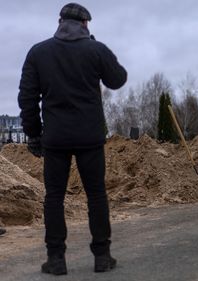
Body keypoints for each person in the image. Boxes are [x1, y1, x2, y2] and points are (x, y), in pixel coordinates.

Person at [18, 3, 127, 275]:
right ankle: (102, 257)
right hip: (90, 137)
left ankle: (56, 259)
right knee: (96, 196)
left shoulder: (38, 52)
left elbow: (27, 97)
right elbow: (118, 79)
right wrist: (98, 49)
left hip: (55, 140)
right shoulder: (94, 49)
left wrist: (33, 134)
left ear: (60, 22)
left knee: (54, 197)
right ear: (85, 24)